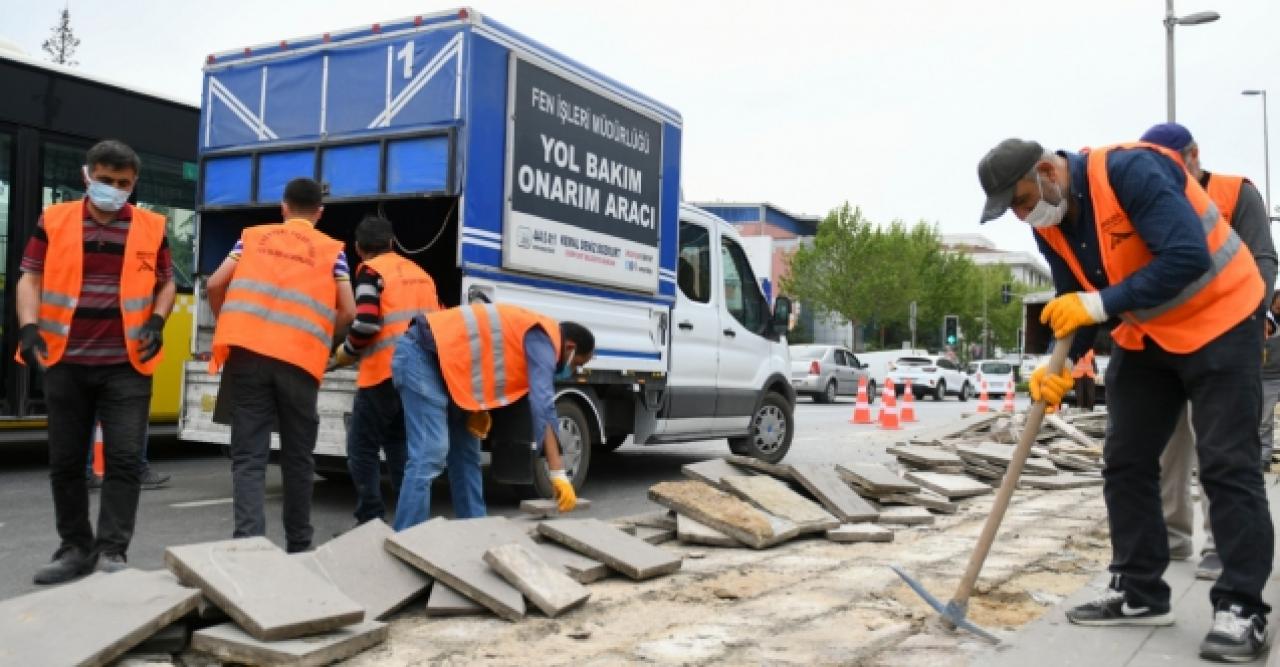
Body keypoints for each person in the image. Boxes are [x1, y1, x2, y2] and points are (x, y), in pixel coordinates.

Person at [978, 137, 1273, 661]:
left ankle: (1242, 607)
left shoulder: (1130, 172)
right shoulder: (1049, 223)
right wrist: (1062, 365)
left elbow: (1184, 256)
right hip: (1150, 335)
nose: (1024, 215)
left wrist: (1097, 305)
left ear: (1048, 170)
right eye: (1015, 210)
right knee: (1126, 460)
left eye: (1023, 199)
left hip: (1222, 319)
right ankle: (1140, 592)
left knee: (1228, 462)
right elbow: (1079, 306)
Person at [17, 139, 175, 583]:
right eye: (105, 180)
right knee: (66, 462)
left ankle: (112, 553)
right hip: (65, 359)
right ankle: (74, 548)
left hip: (127, 364)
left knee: (124, 461)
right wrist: (29, 328)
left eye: (123, 183)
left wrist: (158, 320)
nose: (114, 189)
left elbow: (165, 283)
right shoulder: (55, 220)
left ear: (134, 184)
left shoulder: (151, 226)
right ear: (88, 175)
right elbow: (31, 276)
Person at [1138, 123, 1278, 580]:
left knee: (1222, 447)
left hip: (1223, 340)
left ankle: (1220, 544)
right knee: (1167, 446)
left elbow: (1263, 258)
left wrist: (1250, 317)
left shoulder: (1236, 193)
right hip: (1167, 340)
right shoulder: (1150, 198)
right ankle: (1172, 536)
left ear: (1193, 155)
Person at [205, 177, 355, 553]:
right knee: (298, 458)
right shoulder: (332, 250)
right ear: (319, 213)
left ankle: (249, 546)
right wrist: (320, 338)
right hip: (300, 361)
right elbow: (349, 310)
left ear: (283, 207)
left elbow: (215, 284)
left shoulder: (252, 238)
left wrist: (230, 321)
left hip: (248, 356)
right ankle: (299, 546)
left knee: (250, 456)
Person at [391, 302, 594, 530]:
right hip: (421, 356)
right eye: (577, 364)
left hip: (448, 370)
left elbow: (486, 362)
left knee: (467, 454)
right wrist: (557, 472)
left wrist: (479, 406)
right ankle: (407, 536)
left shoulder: (533, 334)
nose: (573, 371)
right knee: (430, 451)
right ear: (570, 347)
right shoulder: (544, 339)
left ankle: (476, 531)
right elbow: (543, 404)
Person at [327, 215, 440, 525]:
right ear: (392, 243)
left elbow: (364, 322)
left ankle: (370, 518)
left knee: (361, 447)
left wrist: (344, 353)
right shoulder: (423, 276)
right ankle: (409, 519)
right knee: (399, 445)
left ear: (359, 249)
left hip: (382, 373)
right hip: (418, 376)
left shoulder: (371, 272)